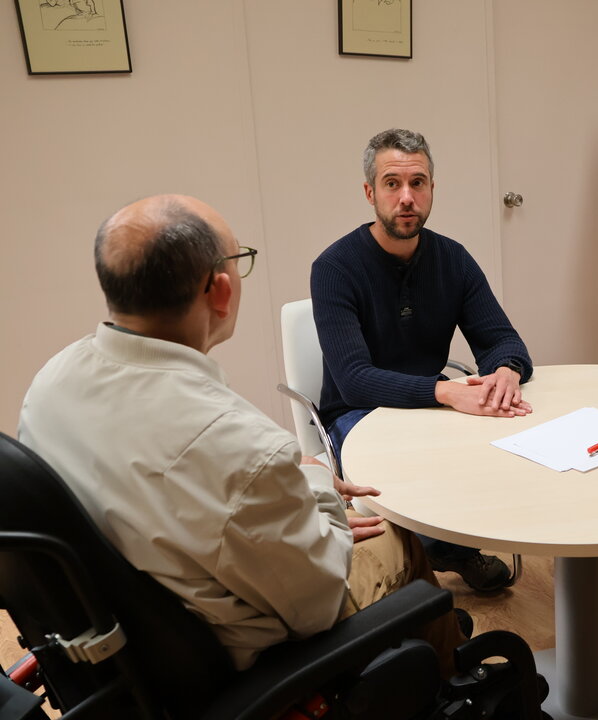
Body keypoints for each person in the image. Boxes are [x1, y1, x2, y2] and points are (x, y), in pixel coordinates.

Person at [18, 194, 466, 676]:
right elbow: (318, 603)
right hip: (233, 668)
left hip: (123, 649)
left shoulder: (50, 383)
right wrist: (316, 492)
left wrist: (291, 499)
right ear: (221, 291)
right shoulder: (243, 449)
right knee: (396, 538)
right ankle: (449, 682)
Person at [312, 128, 533, 593]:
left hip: (433, 407)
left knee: (517, 439)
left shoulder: (453, 259)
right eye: (393, 184)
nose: (407, 197)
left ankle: (437, 554)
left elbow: (503, 341)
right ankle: (442, 558)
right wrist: (447, 391)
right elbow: (353, 380)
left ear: (433, 189)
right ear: (370, 192)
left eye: (419, 183)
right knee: (416, 477)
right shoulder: (334, 268)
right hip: (358, 415)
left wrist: (506, 372)